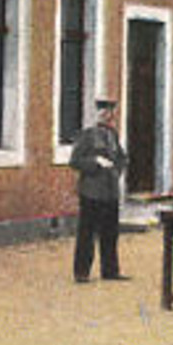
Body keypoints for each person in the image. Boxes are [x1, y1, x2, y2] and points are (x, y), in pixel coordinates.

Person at [69, 98, 130, 283]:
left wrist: (117, 169)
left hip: (110, 192)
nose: (108, 116)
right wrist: (95, 163)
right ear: (97, 114)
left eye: (110, 113)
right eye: (104, 112)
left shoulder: (113, 135)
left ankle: (110, 270)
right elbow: (75, 161)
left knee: (110, 233)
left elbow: (121, 157)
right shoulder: (86, 135)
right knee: (86, 233)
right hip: (91, 192)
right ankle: (82, 272)